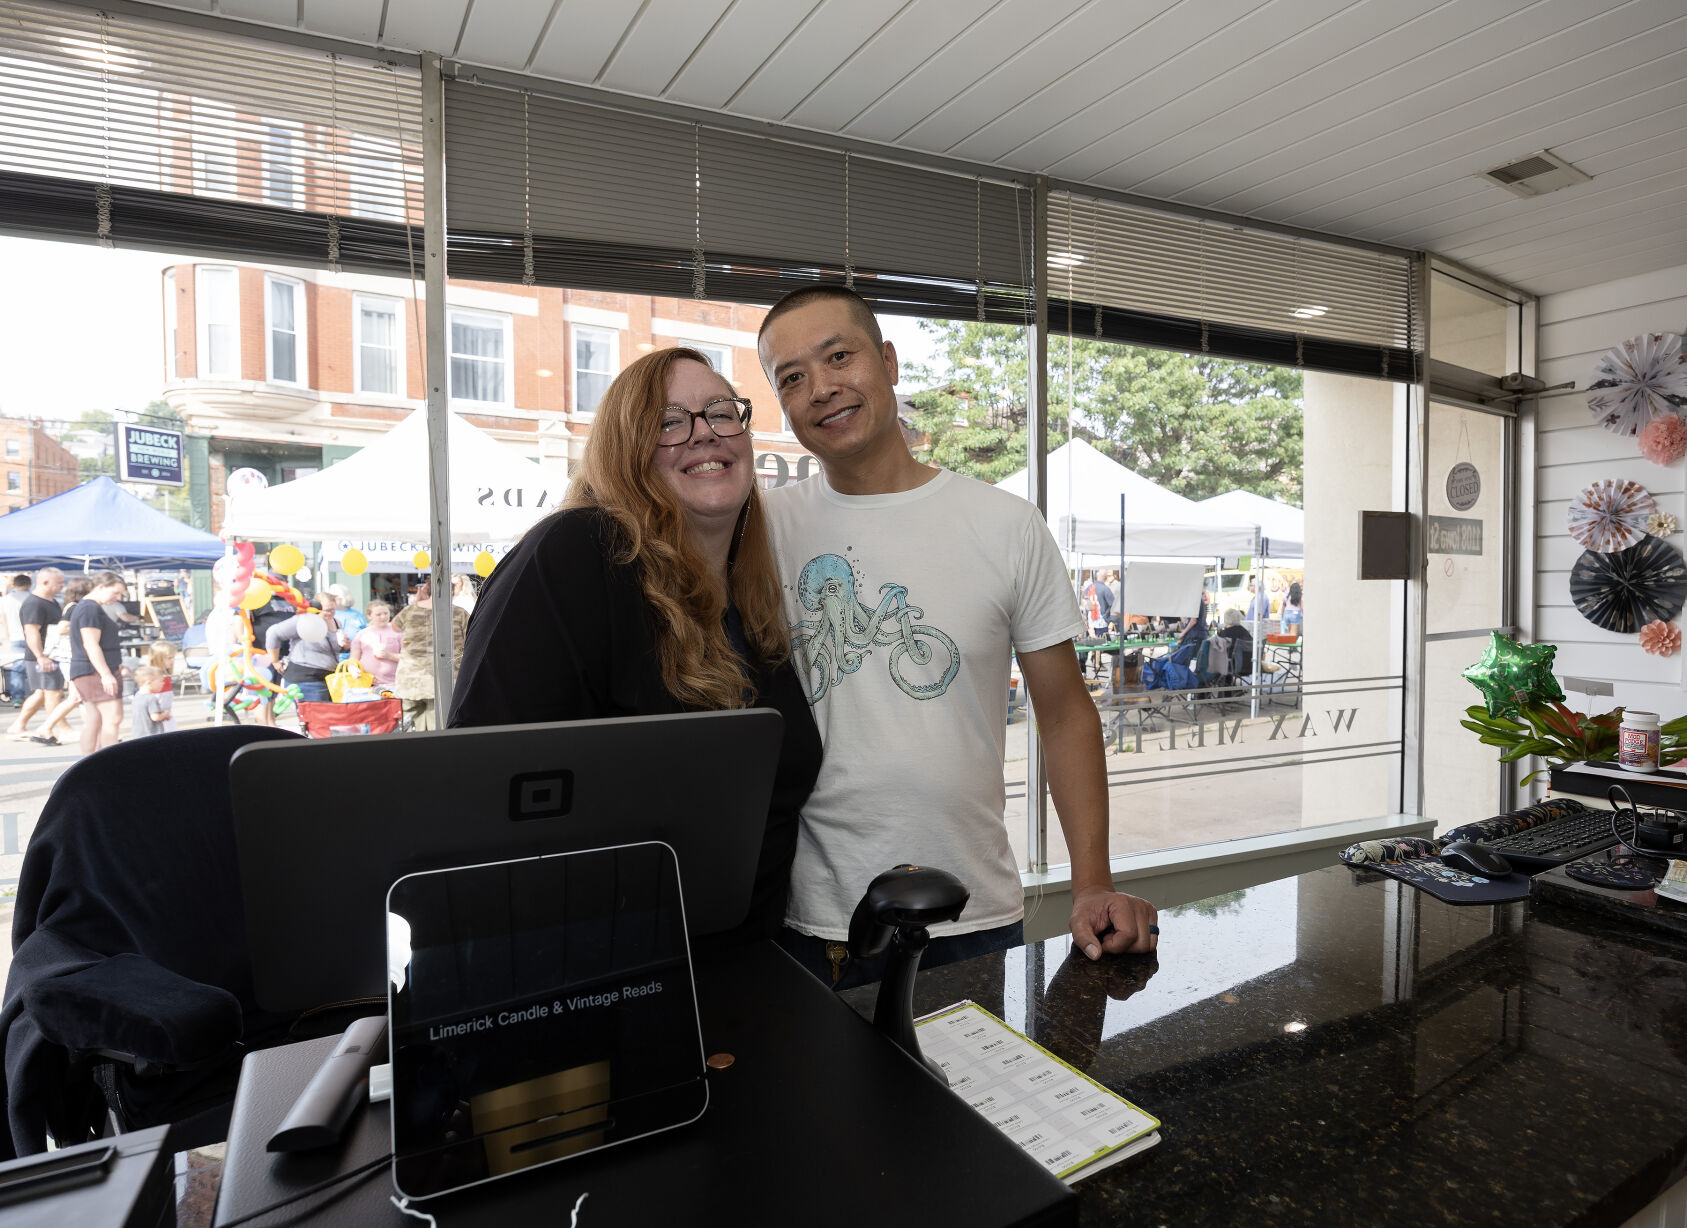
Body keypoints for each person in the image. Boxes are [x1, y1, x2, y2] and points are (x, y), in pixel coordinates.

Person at [756, 285, 1156, 988]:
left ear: (886, 361)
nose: (820, 388)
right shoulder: (757, 531)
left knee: (968, 1096)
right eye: (790, 378)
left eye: (837, 357)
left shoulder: (1004, 525)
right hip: (806, 922)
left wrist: (1091, 883)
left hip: (965, 912)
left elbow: (1063, 714)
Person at [450, 347, 821, 945]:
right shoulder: (575, 553)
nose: (703, 435)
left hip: (750, 966)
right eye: (668, 422)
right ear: (627, 452)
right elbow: (485, 782)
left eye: (721, 412)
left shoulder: (753, 594)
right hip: (604, 974)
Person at [392, 581, 467, 731]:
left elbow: (395, 627)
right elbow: (469, 640)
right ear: (452, 593)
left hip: (410, 680)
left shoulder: (410, 611)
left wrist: (418, 602)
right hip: (444, 679)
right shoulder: (459, 613)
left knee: (411, 729)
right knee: (438, 729)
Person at [68, 571, 128, 754]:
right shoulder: (90, 608)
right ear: (101, 587)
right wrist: (106, 674)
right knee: (112, 718)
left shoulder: (88, 607)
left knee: (95, 719)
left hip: (89, 669)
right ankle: (107, 766)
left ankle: (90, 765)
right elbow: (91, 643)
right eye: (115, 593)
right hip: (93, 671)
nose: (117, 598)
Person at [7, 568, 65, 743]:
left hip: (51, 652)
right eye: (59, 583)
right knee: (53, 692)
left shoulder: (52, 601)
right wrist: (40, 656)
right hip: (41, 655)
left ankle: (18, 725)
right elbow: (31, 631)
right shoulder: (35, 603)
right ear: (45, 582)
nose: (62, 586)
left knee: (41, 693)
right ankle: (60, 726)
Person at [34, 576, 91, 745]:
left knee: (80, 698)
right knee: (76, 697)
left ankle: (93, 731)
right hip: (70, 658)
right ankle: (45, 727)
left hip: (71, 658)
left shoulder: (73, 606)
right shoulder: (74, 607)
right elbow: (62, 628)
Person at [264, 598, 341, 704]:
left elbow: (334, 649)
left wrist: (345, 645)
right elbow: (273, 633)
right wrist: (275, 661)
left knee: (329, 718)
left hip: (329, 678)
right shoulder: (303, 620)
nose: (331, 613)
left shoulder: (336, 622)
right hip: (306, 678)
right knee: (314, 717)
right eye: (327, 610)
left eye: (333, 610)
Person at [350, 600, 402, 690]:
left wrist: (389, 656)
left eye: (386, 613)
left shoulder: (398, 632)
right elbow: (353, 659)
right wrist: (353, 669)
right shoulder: (361, 634)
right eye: (378, 615)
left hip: (393, 683)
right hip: (367, 683)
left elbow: (408, 658)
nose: (383, 617)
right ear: (369, 616)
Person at [2, 573, 32, 707]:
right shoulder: (32, 598)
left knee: (17, 667)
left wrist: (7, 636)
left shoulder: (6, 599)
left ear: (14, 585)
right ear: (29, 584)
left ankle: (17, 698)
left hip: (14, 636)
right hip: (32, 636)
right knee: (33, 666)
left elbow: (3, 620)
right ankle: (34, 695)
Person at [129, 665, 176, 737]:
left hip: (138, 734)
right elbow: (155, 717)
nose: (163, 683)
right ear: (149, 683)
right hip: (151, 734)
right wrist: (165, 715)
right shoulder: (151, 698)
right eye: (160, 681)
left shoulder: (136, 696)